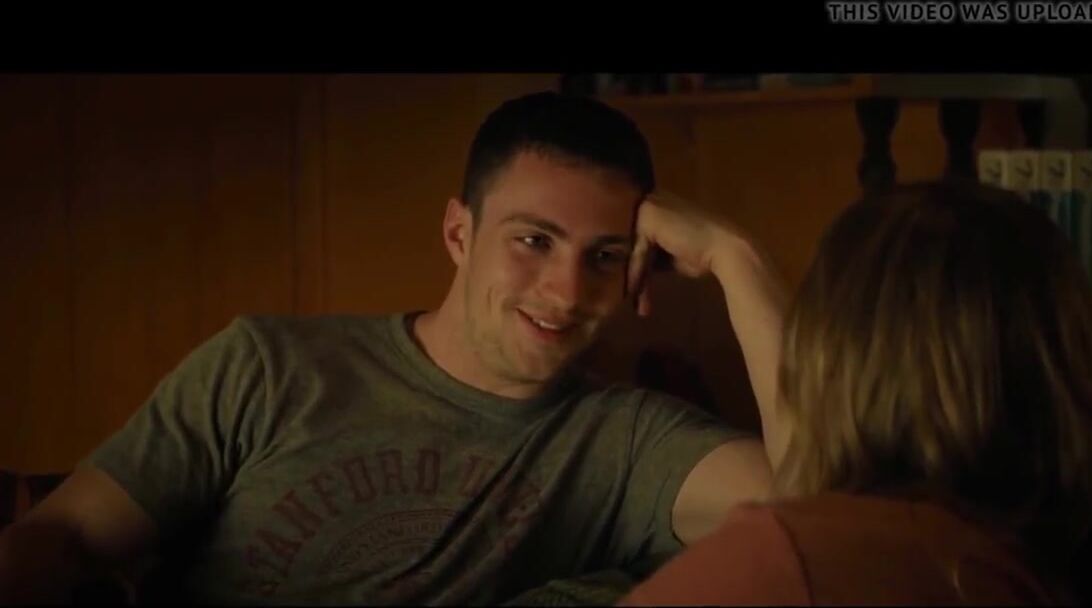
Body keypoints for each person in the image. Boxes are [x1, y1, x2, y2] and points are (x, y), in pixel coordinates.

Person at [0, 92, 792, 605]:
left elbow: (827, 507)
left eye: (605, 256)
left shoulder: (630, 443)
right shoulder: (269, 366)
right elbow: (61, 538)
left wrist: (737, 258)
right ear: (459, 234)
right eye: (533, 241)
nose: (566, 291)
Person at [621, 180, 1092, 605]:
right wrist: (733, 257)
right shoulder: (1037, 561)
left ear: (828, 358)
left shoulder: (797, 560)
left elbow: (817, 532)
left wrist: (734, 256)